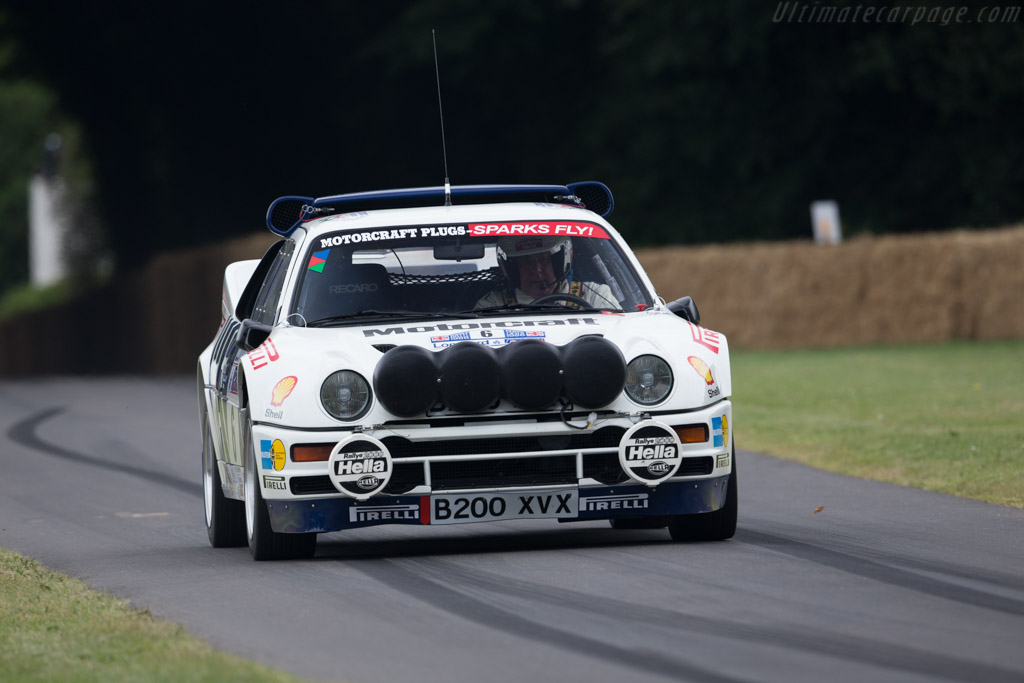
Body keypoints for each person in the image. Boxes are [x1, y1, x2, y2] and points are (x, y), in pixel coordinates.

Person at [475, 235, 619, 309]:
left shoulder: (595, 296)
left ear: (562, 259)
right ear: (511, 269)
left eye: (544, 259)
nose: (537, 270)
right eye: (526, 262)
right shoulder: (492, 306)